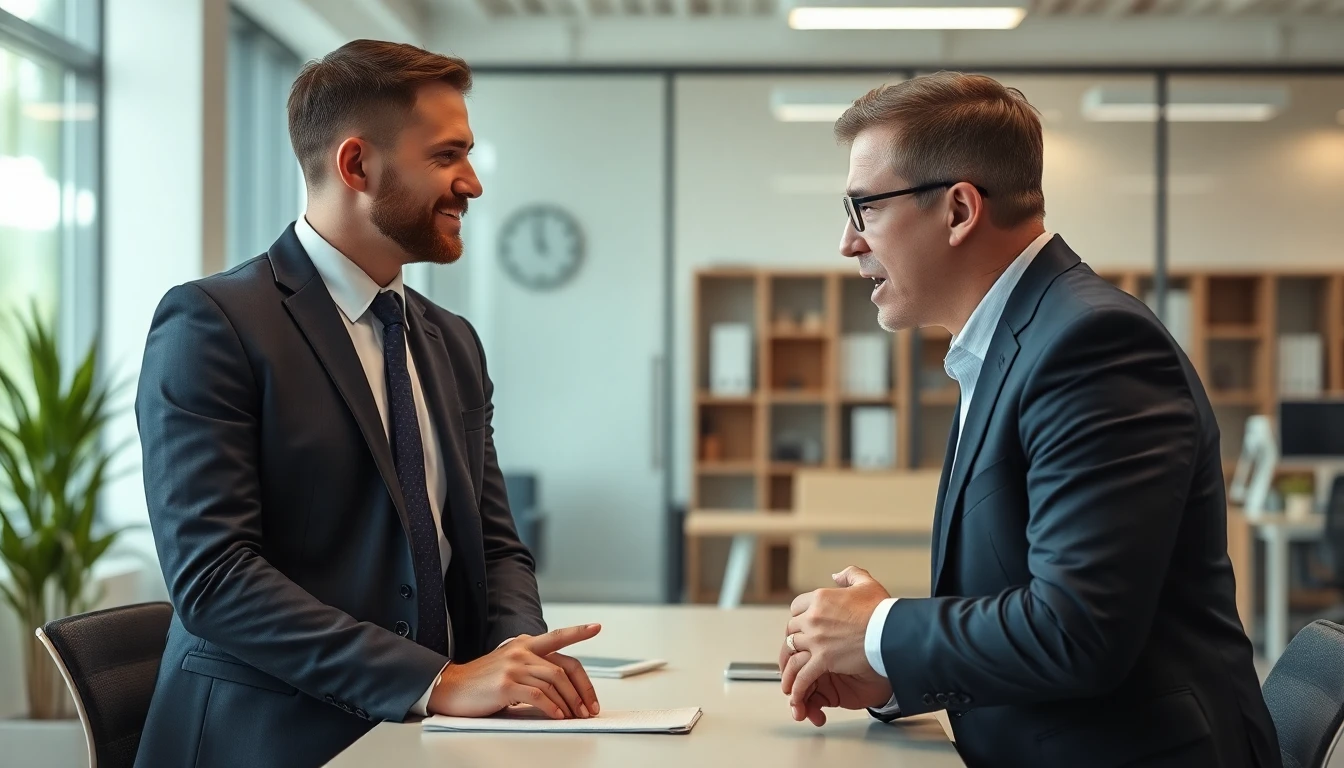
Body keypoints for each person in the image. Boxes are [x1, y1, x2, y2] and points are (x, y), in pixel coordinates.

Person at [776, 72, 1282, 768]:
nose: (848, 242)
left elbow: (1077, 630)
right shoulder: (1014, 339)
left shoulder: (1091, 345)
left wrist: (880, 629)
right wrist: (895, 671)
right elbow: (1028, 605)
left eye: (863, 208)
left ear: (958, 210)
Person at [133, 40, 600, 768]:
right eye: (447, 156)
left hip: (431, 738)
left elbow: (492, 541)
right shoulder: (214, 323)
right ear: (357, 166)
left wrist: (515, 653)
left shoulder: (451, 341)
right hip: (269, 739)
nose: (472, 182)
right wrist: (435, 680)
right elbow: (215, 577)